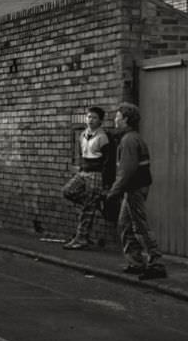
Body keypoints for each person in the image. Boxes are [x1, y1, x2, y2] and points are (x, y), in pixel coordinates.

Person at [104, 102, 167, 280]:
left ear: (126, 119)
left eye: (118, 117)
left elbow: (126, 172)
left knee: (140, 226)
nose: (115, 120)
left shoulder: (129, 140)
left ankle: (156, 264)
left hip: (135, 188)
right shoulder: (130, 138)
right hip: (134, 187)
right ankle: (136, 262)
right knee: (124, 224)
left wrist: (112, 193)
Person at [62, 106, 111, 250]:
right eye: (89, 117)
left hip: (96, 174)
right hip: (83, 172)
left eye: (94, 117)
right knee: (67, 191)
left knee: (87, 210)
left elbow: (108, 161)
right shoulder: (82, 135)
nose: (90, 120)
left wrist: (106, 182)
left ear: (100, 121)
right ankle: (93, 203)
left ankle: (81, 238)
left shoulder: (103, 137)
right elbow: (82, 155)